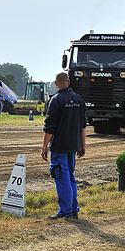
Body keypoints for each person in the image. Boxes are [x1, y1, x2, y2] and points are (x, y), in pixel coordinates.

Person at [41, 72, 87, 220]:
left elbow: (50, 127)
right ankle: (74, 209)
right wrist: (82, 145)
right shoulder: (79, 99)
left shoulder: (55, 100)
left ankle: (65, 211)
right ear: (68, 82)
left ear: (56, 84)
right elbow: (83, 126)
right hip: (73, 146)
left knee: (62, 177)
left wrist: (44, 146)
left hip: (59, 146)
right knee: (70, 177)